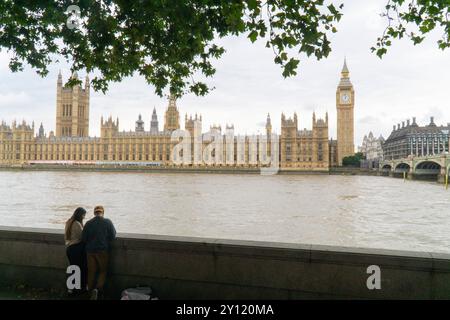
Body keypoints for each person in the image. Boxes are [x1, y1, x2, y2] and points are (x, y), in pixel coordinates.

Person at [82, 205, 117, 300]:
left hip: (90, 251)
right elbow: (113, 236)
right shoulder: (107, 222)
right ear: (103, 213)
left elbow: (84, 238)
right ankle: (97, 290)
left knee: (91, 272)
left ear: (94, 213)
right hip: (102, 250)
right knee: (103, 271)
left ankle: (89, 292)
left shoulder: (88, 223)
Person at [64, 207, 87, 295]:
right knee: (79, 269)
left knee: (73, 268)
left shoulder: (69, 221)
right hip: (77, 248)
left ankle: (71, 289)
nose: (84, 217)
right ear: (81, 215)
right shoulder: (77, 224)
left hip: (69, 248)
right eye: (84, 215)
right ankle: (78, 289)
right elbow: (82, 237)